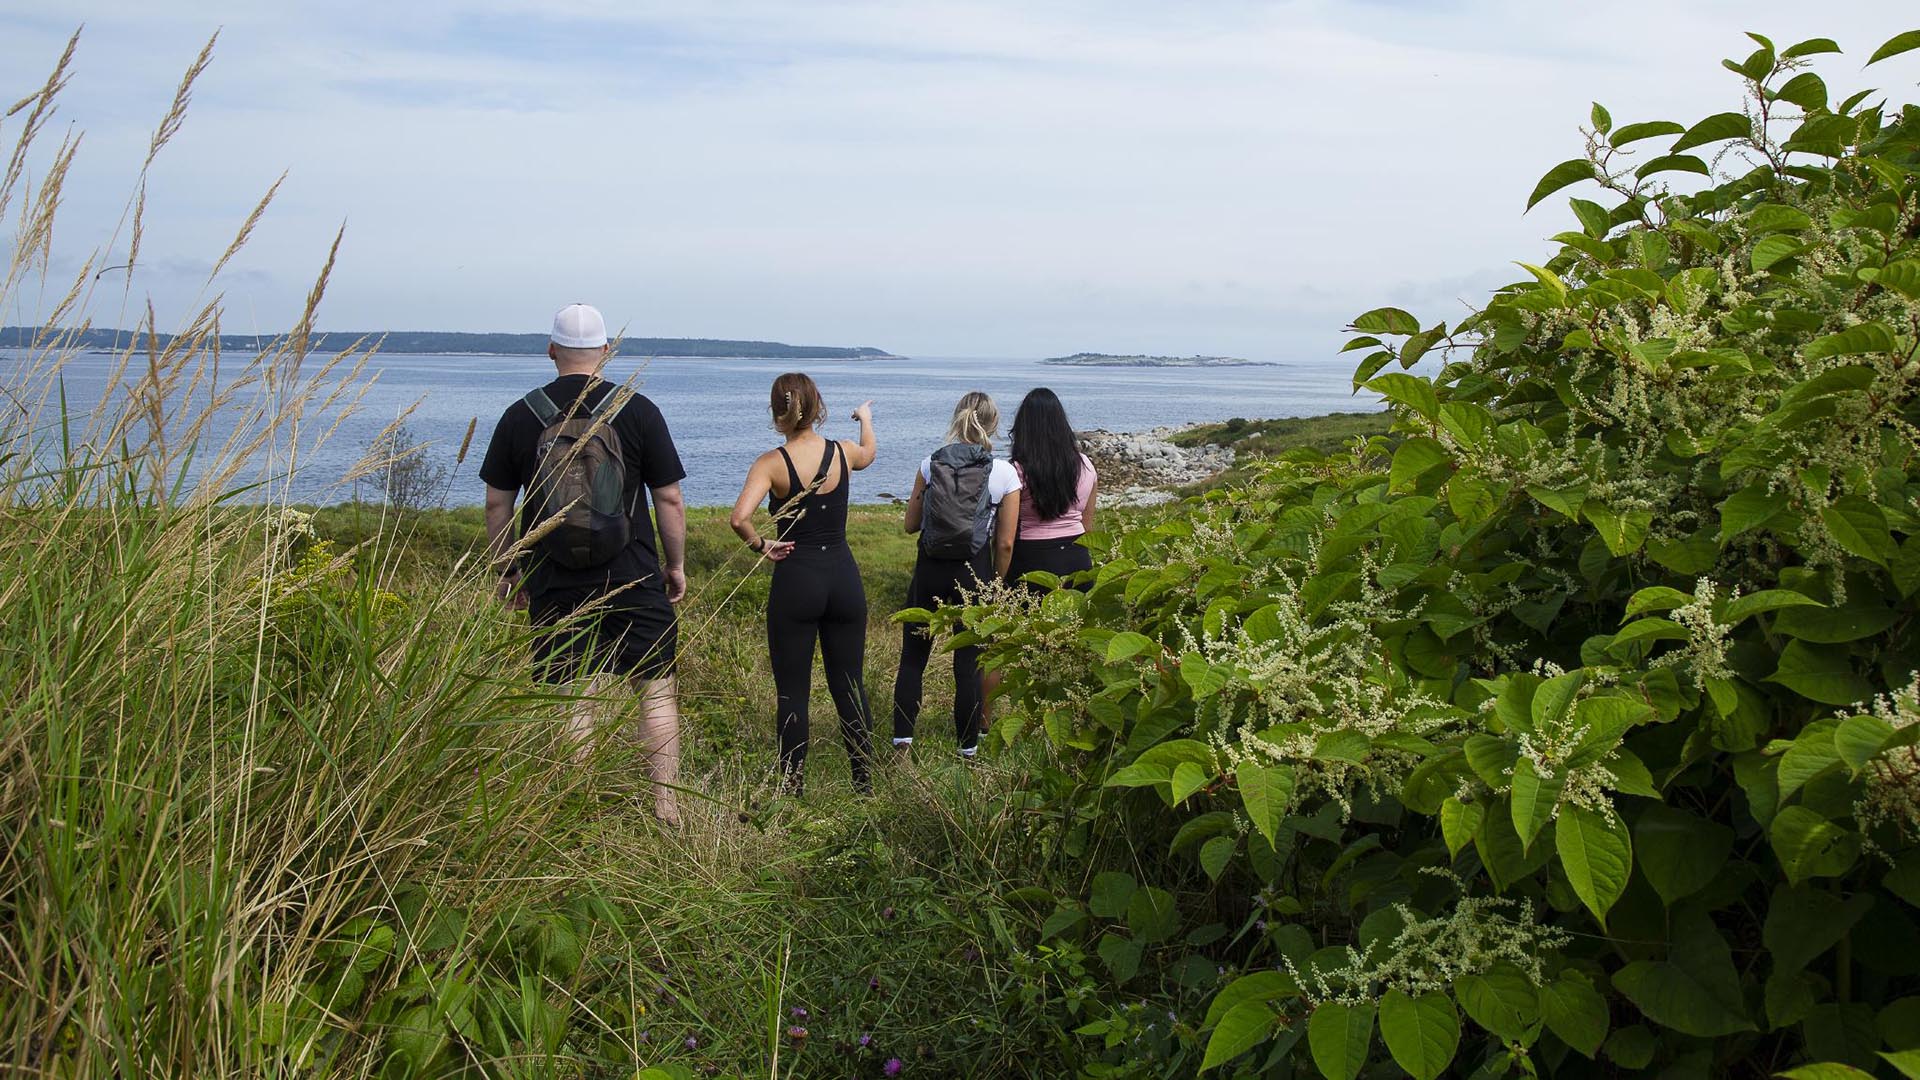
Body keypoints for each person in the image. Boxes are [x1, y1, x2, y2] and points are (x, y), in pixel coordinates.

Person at [480, 303, 688, 826]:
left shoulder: (520, 415)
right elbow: (669, 499)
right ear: (606, 350)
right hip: (635, 571)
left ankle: (582, 807)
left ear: (551, 350)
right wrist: (675, 564)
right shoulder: (637, 409)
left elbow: (496, 504)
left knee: (575, 696)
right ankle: (667, 807)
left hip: (553, 577)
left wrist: (507, 569)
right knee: (655, 691)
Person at [729, 373, 878, 795]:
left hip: (797, 577)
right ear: (817, 407)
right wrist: (864, 417)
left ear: (778, 411)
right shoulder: (843, 452)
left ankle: (792, 789)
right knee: (849, 684)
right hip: (843, 578)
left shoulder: (771, 463)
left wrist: (762, 545)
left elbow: (739, 518)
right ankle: (864, 785)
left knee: (792, 691)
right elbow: (869, 452)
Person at [890, 391, 1020, 759]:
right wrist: (995, 584)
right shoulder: (1005, 473)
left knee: (913, 657)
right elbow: (1006, 542)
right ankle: (967, 749)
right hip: (973, 572)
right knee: (967, 663)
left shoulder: (930, 464)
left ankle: (902, 744)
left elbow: (910, 525)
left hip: (930, 568)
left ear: (957, 418)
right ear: (993, 423)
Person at [1006, 387, 1098, 585]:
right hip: (1077, 557)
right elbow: (1087, 526)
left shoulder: (1016, 470)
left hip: (1030, 559)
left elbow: (1006, 535)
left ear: (1023, 426)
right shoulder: (1085, 464)